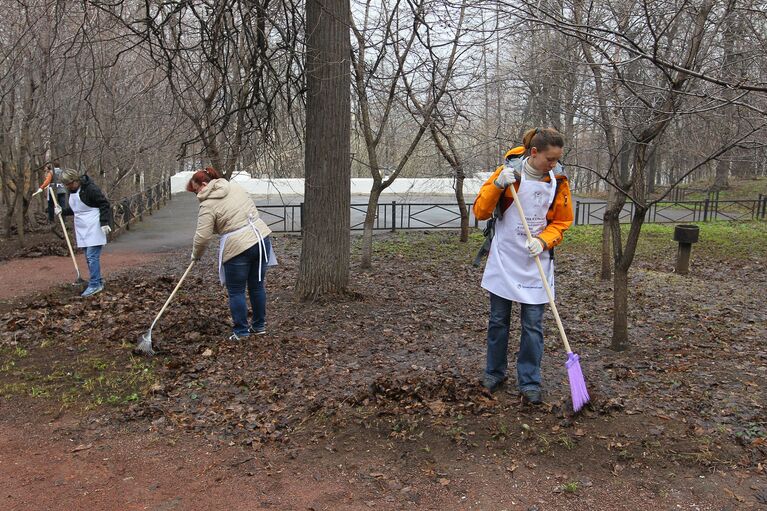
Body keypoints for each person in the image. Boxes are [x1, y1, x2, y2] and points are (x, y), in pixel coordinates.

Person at [473, 128, 574, 404]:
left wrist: (544, 241)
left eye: (557, 159)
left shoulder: (559, 181)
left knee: (533, 326)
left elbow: (563, 222)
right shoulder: (507, 173)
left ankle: (529, 380)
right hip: (505, 258)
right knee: (498, 321)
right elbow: (480, 212)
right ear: (534, 153)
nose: (553, 165)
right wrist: (496, 186)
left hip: (536, 262)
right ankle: (494, 373)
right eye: (550, 159)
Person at [188, 167, 273, 341]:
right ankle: (259, 326)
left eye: (196, 190)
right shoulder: (235, 187)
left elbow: (203, 237)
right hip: (261, 237)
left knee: (236, 291)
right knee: (257, 286)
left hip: (238, 246)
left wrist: (196, 255)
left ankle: (241, 332)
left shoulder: (207, 205)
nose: (196, 194)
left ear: (204, 184)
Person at [55, 169, 112, 297]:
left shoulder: (90, 189)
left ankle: (95, 284)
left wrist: (104, 222)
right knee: (88, 256)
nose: (68, 187)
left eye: (70, 184)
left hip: (95, 224)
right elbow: (76, 209)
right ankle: (97, 279)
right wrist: (62, 211)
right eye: (66, 185)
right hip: (82, 226)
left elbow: (104, 204)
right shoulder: (72, 191)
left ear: (76, 180)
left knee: (92, 256)